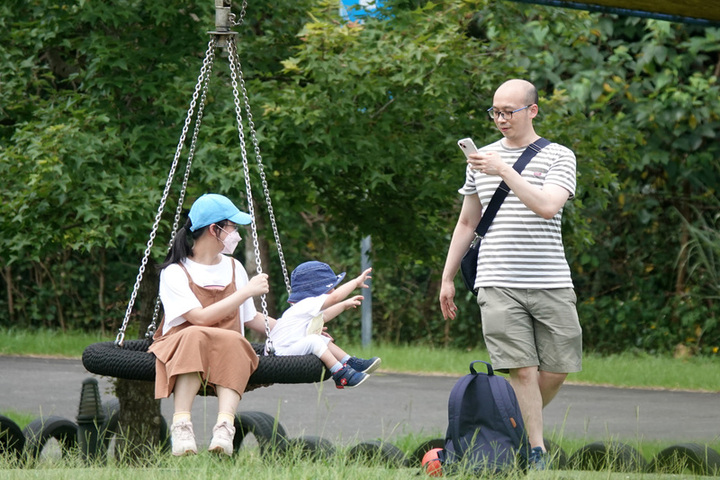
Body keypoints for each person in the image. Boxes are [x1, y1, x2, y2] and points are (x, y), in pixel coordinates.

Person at [439, 79, 582, 469]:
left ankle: (508, 425)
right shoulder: (479, 158)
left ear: (532, 111)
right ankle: (536, 451)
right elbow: (468, 221)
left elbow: (547, 207)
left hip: (551, 278)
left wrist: (503, 170)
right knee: (522, 368)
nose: (500, 119)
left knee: (557, 367)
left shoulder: (559, 156)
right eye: (495, 112)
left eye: (508, 112)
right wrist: (447, 277)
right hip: (497, 278)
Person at [148, 193, 274, 457]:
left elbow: (251, 319)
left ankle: (225, 426)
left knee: (235, 339)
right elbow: (200, 318)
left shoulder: (233, 267)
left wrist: (295, 328)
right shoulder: (175, 271)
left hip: (224, 347)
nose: (236, 234)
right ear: (214, 229)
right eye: (232, 227)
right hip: (182, 346)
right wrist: (246, 291)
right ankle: (181, 424)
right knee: (195, 334)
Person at [269, 261, 381, 389]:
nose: (334, 290)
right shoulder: (307, 303)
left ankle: (350, 362)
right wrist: (355, 282)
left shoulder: (308, 308)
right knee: (315, 339)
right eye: (332, 287)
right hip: (280, 355)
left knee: (321, 338)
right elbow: (335, 297)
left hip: (288, 349)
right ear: (320, 289)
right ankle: (340, 374)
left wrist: (344, 305)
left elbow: (325, 316)